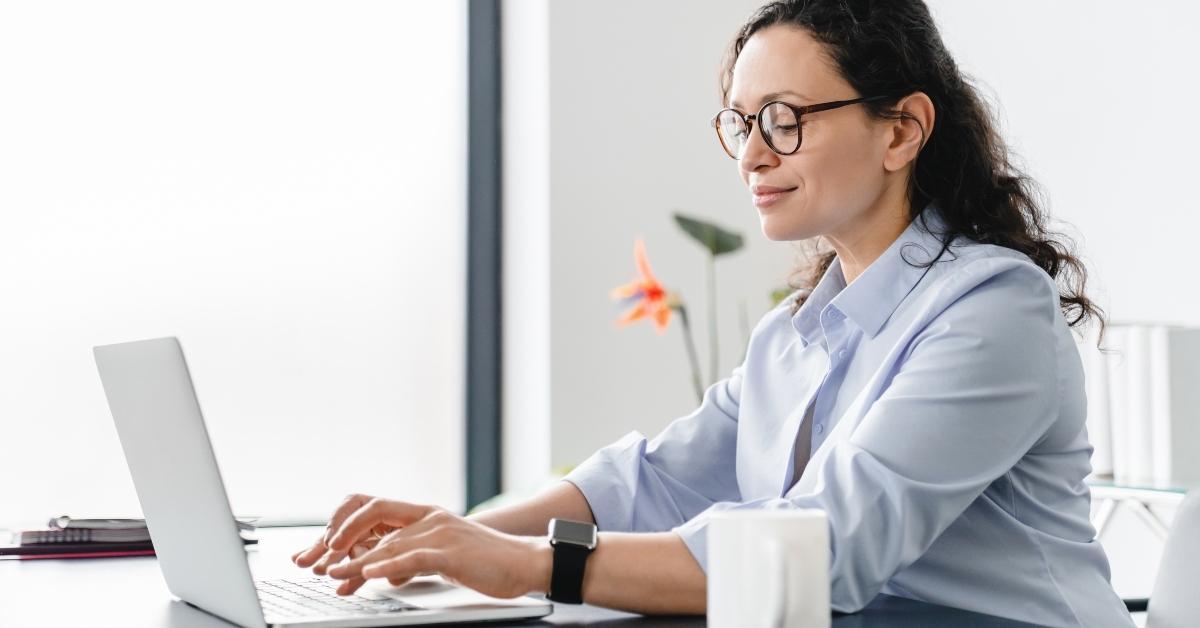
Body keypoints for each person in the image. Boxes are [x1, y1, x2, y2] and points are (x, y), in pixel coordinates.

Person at [293, 1, 1133, 625]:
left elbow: (823, 549)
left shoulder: (994, 311)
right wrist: (455, 538)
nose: (753, 155)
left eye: (785, 120)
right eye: (741, 122)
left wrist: (523, 564)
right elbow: (651, 480)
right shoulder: (795, 333)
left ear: (902, 130)